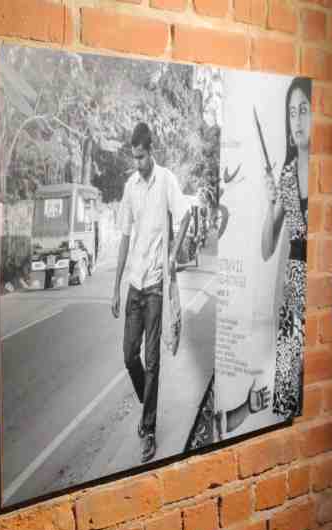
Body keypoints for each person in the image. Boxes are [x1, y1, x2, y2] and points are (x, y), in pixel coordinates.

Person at [112, 122, 197, 463]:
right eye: (134, 158)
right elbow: (124, 237)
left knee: (153, 361)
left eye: (142, 157)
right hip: (135, 286)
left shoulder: (166, 180)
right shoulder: (130, 187)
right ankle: (147, 405)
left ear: (151, 151)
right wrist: (115, 288)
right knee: (129, 356)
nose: (138, 164)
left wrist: (173, 255)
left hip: (157, 287)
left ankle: (148, 429)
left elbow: (186, 215)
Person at [261, 77, 311, 419]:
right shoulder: (288, 174)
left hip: (321, 289)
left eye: (304, 109)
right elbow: (266, 248)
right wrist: (271, 203)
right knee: (289, 400)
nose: (297, 120)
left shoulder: (327, 169)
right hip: (293, 293)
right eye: (292, 112)